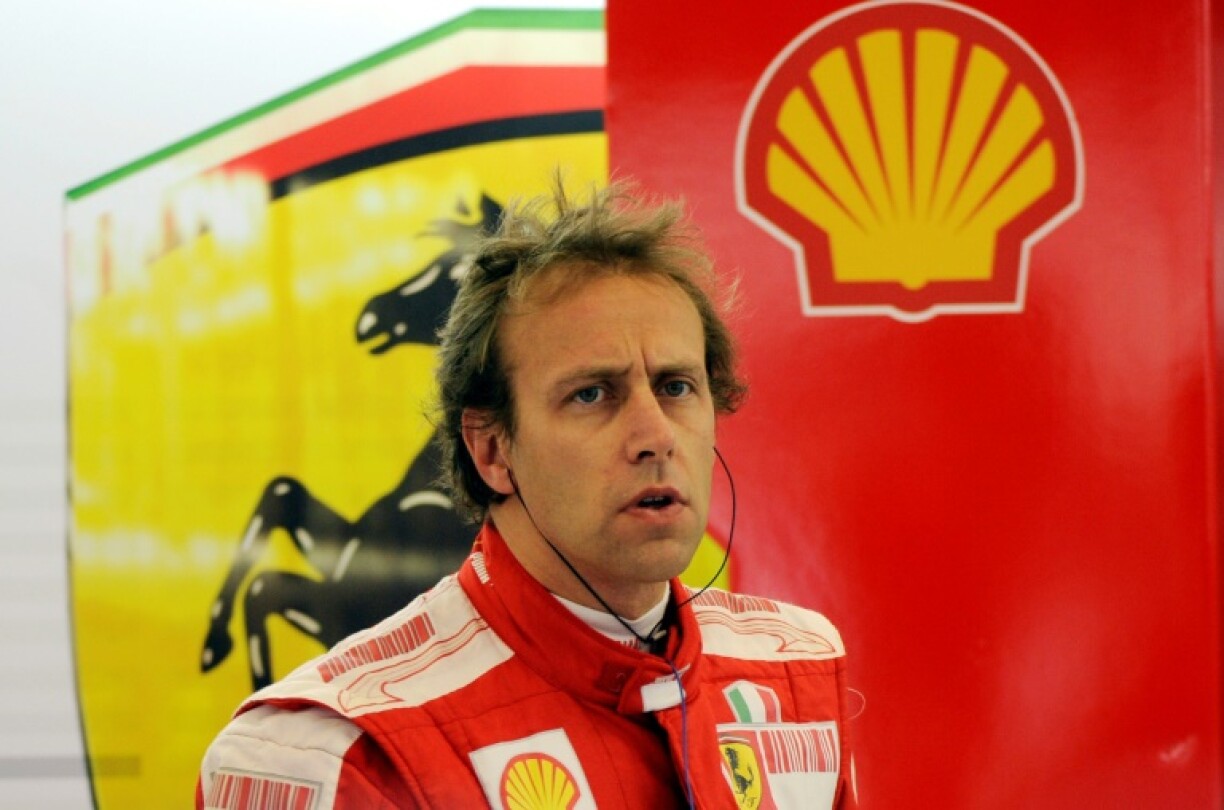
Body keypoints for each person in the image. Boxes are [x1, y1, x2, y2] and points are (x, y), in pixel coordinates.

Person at [197, 180, 856, 809]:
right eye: (591, 394)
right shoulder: (330, 752)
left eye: (677, 386)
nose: (656, 435)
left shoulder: (799, 668)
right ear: (491, 450)